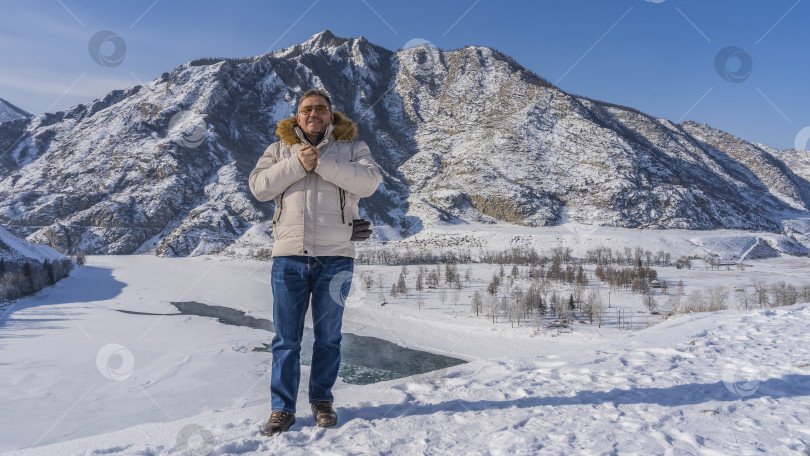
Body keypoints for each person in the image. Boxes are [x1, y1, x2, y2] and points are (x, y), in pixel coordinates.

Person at [248, 89, 382, 436]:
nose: (313, 114)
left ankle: (322, 400)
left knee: (328, 337)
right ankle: (282, 409)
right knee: (286, 339)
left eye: (320, 109)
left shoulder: (353, 149)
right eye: (306, 109)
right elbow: (259, 187)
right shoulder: (278, 150)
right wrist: (297, 164)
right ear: (296, 116)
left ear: (331, 114)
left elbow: (369, 182)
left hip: (335, 257)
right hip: (288, 258)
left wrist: (322, 162)